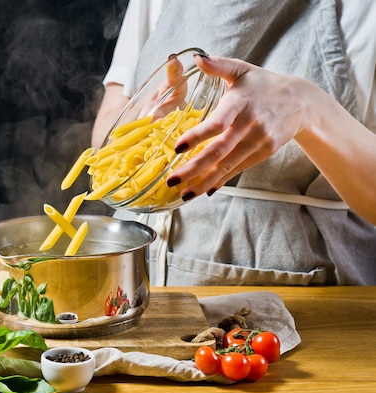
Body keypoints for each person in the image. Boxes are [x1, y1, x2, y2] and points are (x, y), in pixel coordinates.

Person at [91, 0, 376, 285]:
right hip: (137, 278)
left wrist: (309, 109)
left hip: (308, 292)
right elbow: (104, 136)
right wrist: (142, 125)